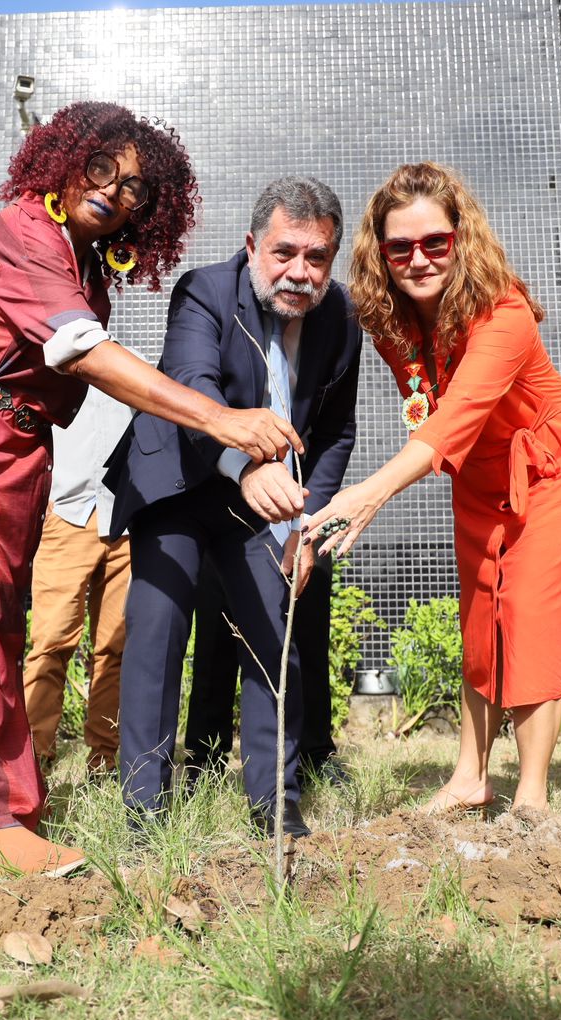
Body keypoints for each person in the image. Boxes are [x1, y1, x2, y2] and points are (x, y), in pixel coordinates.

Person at [0, 101, 303, 877]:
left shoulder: (80, 256)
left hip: (10, 435)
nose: (112, 190)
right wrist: (221, 419)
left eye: (136, 187)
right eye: (100, 166)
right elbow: (80, 351)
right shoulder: (25, 236)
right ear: (62, 159)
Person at [304, 163, 561, 814]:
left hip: (554, 465)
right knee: (482, 618)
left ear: (460, 239)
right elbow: (428, 405)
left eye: (434, 243)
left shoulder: (504, 314)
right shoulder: (388, 320)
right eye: (400, 247)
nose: (418, 259)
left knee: (528, 614)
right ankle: (470, 778)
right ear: (381, 253)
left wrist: (369, 493)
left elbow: (456, 413)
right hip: (477, 470)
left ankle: (531, 796)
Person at [108, 176, 362, 839]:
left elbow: (335, 432)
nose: (300, 274)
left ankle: (275, 811)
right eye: (284, 253)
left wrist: (309, 523)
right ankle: (144, 816)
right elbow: (192, 388)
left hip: (262, 495)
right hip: (180, 481)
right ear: (252, 246)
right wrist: (243, 464)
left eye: (317, 259)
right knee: (158, 629)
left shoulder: (341, 317)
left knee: (274, 630)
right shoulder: (204, 291)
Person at [21, 385, 133, 776]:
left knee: (115, 651)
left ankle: (104, 760)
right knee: (50, 643)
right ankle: (34, 762)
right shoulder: (50, 368)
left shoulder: (132, 364)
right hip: (67, 517)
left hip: (127, 523)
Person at [181, 557, 344, 788]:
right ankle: (205, 760)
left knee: (309, 634)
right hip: (226, 524)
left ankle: (315, 755)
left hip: (304, 525)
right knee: (215, 633)